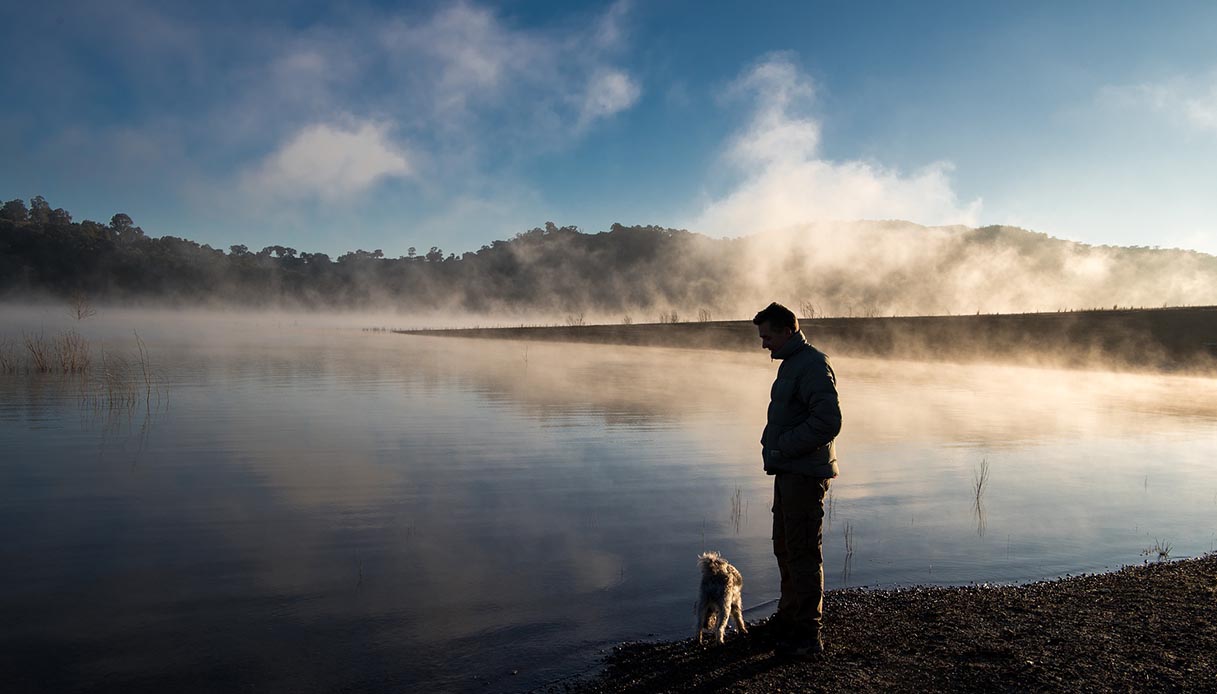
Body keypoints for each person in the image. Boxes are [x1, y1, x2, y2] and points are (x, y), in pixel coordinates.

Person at [753, 301, 841, 657]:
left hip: (804, 475)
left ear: (788, 331)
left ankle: (807, 636)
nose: (763, 344)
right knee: (785, 547)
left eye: (768, 336)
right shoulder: (793, 365)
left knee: (803, 553)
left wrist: (784, 446)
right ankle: (789, 618)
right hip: (790, 472)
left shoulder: (813, 365)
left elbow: (828, 422)